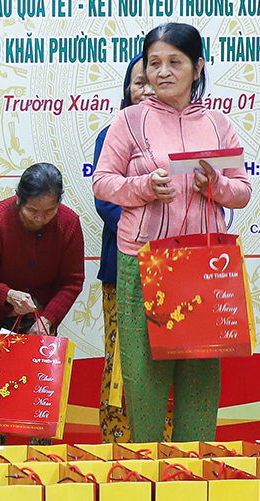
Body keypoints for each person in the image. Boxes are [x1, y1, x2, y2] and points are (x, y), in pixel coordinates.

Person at [93, 25, 251, 443]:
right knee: (144, 377)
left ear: (198, 67)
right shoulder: (128, 120)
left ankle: (193, 474)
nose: (162, 72)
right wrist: (143, 187)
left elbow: (243, 192)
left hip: (203, 262)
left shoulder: (219, 124)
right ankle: (145, 473)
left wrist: (214, 186)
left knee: (200, 377)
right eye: (154, 63)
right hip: (143, 260)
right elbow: (103, 183)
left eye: (174, 62)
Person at [92, 57, 149, 443]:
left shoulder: (194, 133)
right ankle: (119, 445)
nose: (146, 89)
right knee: (122, 362)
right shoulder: (113, 133)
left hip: (179, 270)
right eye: (138, 82)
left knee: (173, 362)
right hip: (125, 266)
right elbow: (107, 201)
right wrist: (148, 234)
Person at [0, 163, 85, 342]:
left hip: (42, 317)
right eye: (32, 211)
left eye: (49, 211)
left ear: (59, 202)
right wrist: (9, 295)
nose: (40, 219)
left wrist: (48, 319)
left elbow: (72, 282)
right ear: (18, 199)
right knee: (1, 370)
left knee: (40, 370)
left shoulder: (69, 224)